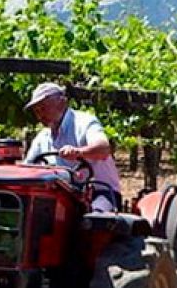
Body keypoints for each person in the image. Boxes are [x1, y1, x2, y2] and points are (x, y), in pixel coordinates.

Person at [23, 82, 122, 211]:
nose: (40, 115)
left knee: (95, 220)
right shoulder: (43, 137)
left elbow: (103, 149)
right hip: (61, 197)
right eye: (36, 111)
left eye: (43, 108)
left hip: (99, 192)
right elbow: (27, 167)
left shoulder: (84, 122)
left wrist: (78, 152)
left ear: (62, 102)